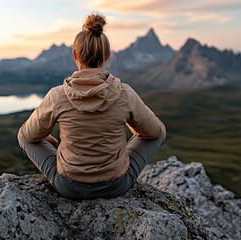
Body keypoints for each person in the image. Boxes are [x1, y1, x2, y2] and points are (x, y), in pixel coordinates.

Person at [17, 12, 166, 200]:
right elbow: (156, 132)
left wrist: (48, 139)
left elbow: (27, 136)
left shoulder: (57, 95)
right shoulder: (125, 93)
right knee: (158, 134)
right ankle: (115, 166)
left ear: (74, 55)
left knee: (24, 138)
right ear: (107, 56)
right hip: (116, 185)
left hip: (69, 187)